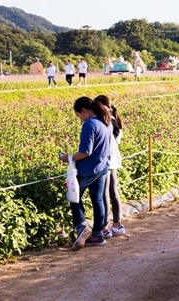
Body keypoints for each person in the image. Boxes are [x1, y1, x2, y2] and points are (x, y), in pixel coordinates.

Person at [59, 96, 113, 250]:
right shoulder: (106, 122)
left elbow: (85, 152)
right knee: (98, 200)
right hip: (102, 167)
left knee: (73, 196)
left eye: (78, 115)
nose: (80, 119)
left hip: (88, 168)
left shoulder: (90, 124)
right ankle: (97, 235)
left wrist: (67, 158)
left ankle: (81, 226)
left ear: (84, 111)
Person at [95, 95, 126, 238]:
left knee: (105, 194)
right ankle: (117, 224)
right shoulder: (115, 119)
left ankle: (105, 227)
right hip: (113, 160)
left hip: (106, 159)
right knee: (114, 192)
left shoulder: (106, 121)